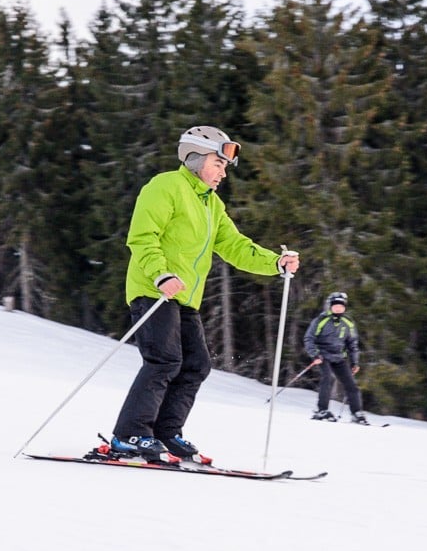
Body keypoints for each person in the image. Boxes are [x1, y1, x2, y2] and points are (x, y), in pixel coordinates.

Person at [110, 126, 300, 464]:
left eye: (225, 166)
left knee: (196, 365)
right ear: (195, 159)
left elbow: (235, 246)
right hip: (154, 290)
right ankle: (129, 435)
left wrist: (275, 262)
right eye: (218, 163)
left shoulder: (212, 204)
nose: (223, 172)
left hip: (185, 298)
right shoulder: (166, 186)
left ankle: (166, 433)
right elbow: (142, 236)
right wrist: (160, 273)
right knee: (164, 361)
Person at [303, 291, 367, 424]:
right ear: (330, 306)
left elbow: (352, 344)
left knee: (351, 385)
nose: (338, 308)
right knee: (328, 378)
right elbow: (309, 338)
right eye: (335, 305)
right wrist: (315, 354)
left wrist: (355, 362)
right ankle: (322, 410)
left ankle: (356, 413)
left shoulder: (347, 322)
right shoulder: (321, 320)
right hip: (322, 355)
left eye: (341, 306)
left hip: (339, 357)